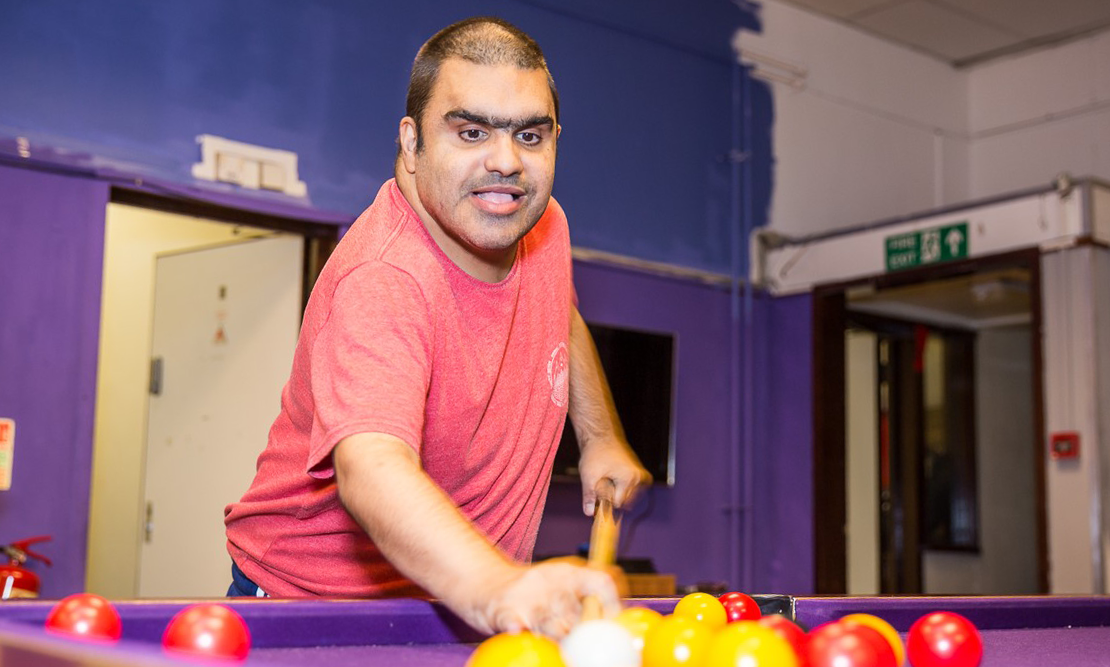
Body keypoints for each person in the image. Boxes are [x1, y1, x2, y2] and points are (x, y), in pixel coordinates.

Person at [223, 16, 650, 639]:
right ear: (412, 142)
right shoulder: (386, 276)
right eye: (471, 132)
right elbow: (370, 465)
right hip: (315, 607)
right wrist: (500, 587)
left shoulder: (542, 224)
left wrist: (599, 435)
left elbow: (559, 309)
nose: (506, 162)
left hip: (462, 595)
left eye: (529, 135)